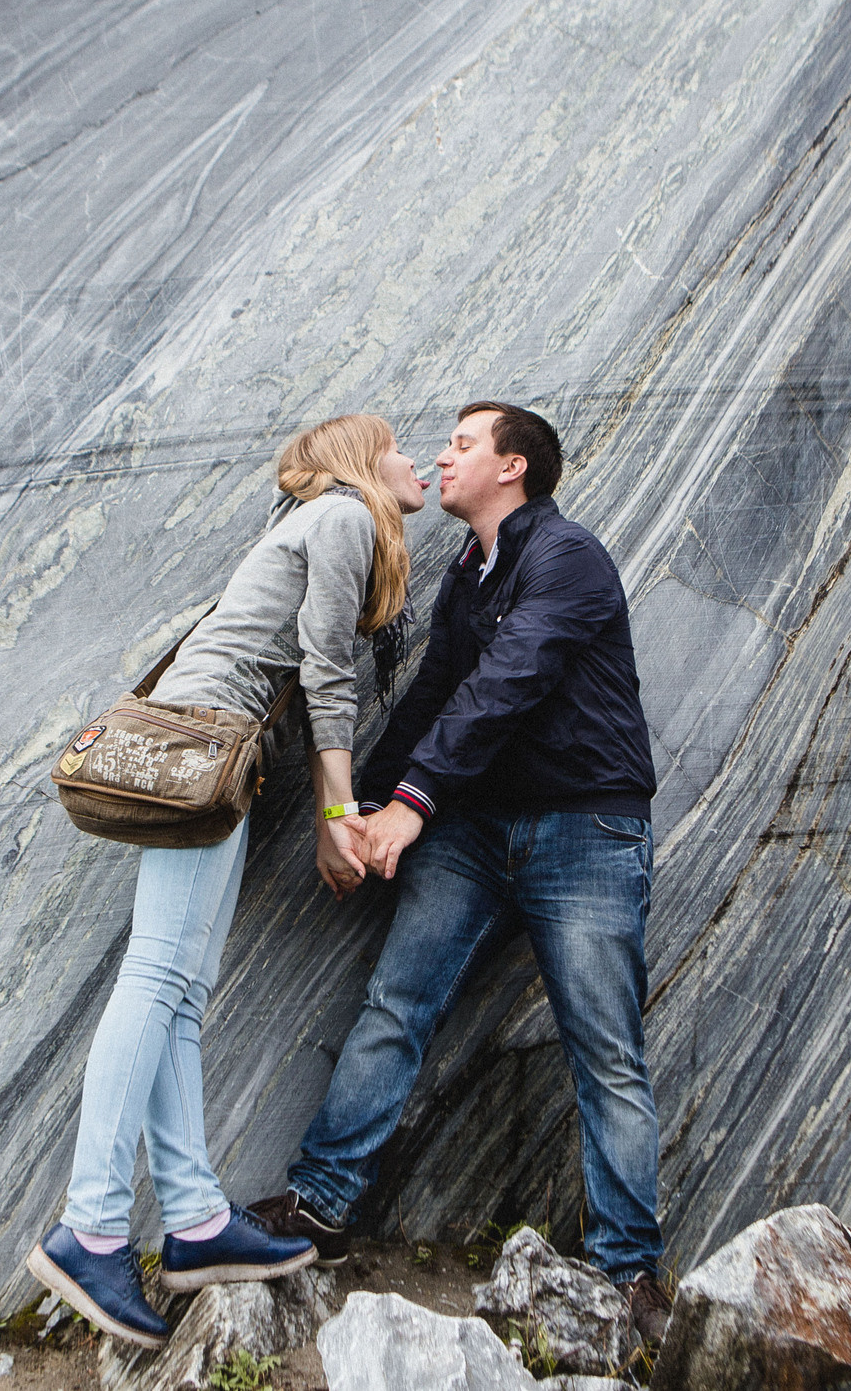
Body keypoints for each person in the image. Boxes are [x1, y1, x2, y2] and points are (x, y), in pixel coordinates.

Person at [248, 401, 672, 1343]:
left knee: (605, 1050)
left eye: (463, 443)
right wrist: (357, 805)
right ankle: (320, 1203)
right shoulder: (467, 583)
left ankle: (629, 1269)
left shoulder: (568, 557)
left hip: (585, 829)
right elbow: (438, 690)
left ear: (513, 467)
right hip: (475, 832)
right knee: (396, 1004)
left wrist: (414, 804)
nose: (442, 456)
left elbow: (507, 681)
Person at [26, 414, 427, 1351]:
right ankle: (90, 1226)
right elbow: (328, 673)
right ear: (363, 462)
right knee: (160, 977)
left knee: (181, 987)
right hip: (206, 743)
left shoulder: (321, 521)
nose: (419, 461)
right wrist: (338, 820)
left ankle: (197, 1220)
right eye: (401, 445)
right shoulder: (342, 518)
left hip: (218, 748)